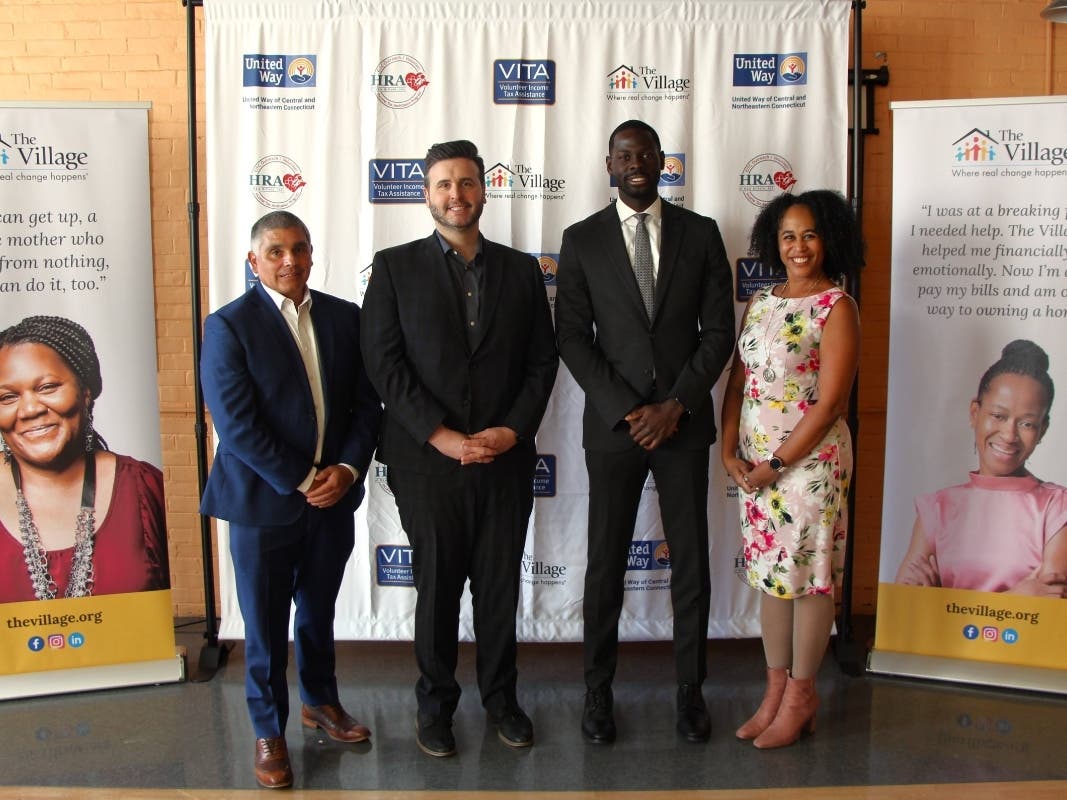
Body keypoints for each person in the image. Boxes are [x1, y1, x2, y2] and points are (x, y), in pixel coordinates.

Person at [360, 139, 557, 758]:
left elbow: (541, 363)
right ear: (427, 194)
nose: (457, 194)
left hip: (504, 458)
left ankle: (503, 701)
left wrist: (512, 430)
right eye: (444, 184)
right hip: (427, 463)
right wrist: (442, 437)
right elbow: (384, 366)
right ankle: (435, 706)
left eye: (467, 183)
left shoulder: (522, 271)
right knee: (439, 590)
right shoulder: (393, 268)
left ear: (483, 190)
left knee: (499, 588)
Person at [555, 120, 735, 744]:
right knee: (604, 564)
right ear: (609, 162)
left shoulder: (702, 233)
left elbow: (719, 333)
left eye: (647, 153)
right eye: (625, 154)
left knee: (691, 562)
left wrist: (675, 405)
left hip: (682, 427)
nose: (636, 162)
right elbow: (573, 337)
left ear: (663, 161)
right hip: (615, 429)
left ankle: (691, 695)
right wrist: (630, 408)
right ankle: (597, 695)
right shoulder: (580, 241)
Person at [199, 211, 381, 789]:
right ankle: (268, 730)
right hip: (264, 503)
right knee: (264, 625)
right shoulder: (228, 326)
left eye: (299, 249)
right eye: (275, 251)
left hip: (334, 499)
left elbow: (365, 406)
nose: (290, 261)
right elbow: (237, 424)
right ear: (254, 262)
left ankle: (321, 702)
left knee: (319, 611)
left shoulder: (343, 318)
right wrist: (306, 479)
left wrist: (348, 469)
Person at [720, 189, 861, 749]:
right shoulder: (761, 300)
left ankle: (803, 696)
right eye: (787, 236)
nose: (798, 247)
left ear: (828, 239)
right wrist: (730, 450)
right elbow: (738, 380)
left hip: (808, 469)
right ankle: (775, 693)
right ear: (772, 243)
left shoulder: (836, 306)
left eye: (809, 234)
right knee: (771, 580)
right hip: (756, 468)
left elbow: (830, 404)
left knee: (809, 580)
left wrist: (777, 463)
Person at [0, 316, 168, 604]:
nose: (29, 410)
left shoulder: (143, 487)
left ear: (86, 392)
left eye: (48, 387)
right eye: (7, 397)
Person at [895, 340, 1067, 596]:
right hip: (946, 638)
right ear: (975, 412)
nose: (1009, 435)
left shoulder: (1057, 507)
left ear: (1043, 429)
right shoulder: (937, 508)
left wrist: (942, 599)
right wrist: (1017, 598)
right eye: (998, 416)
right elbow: (905, 605)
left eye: (1027, 424)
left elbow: (1051, 605)